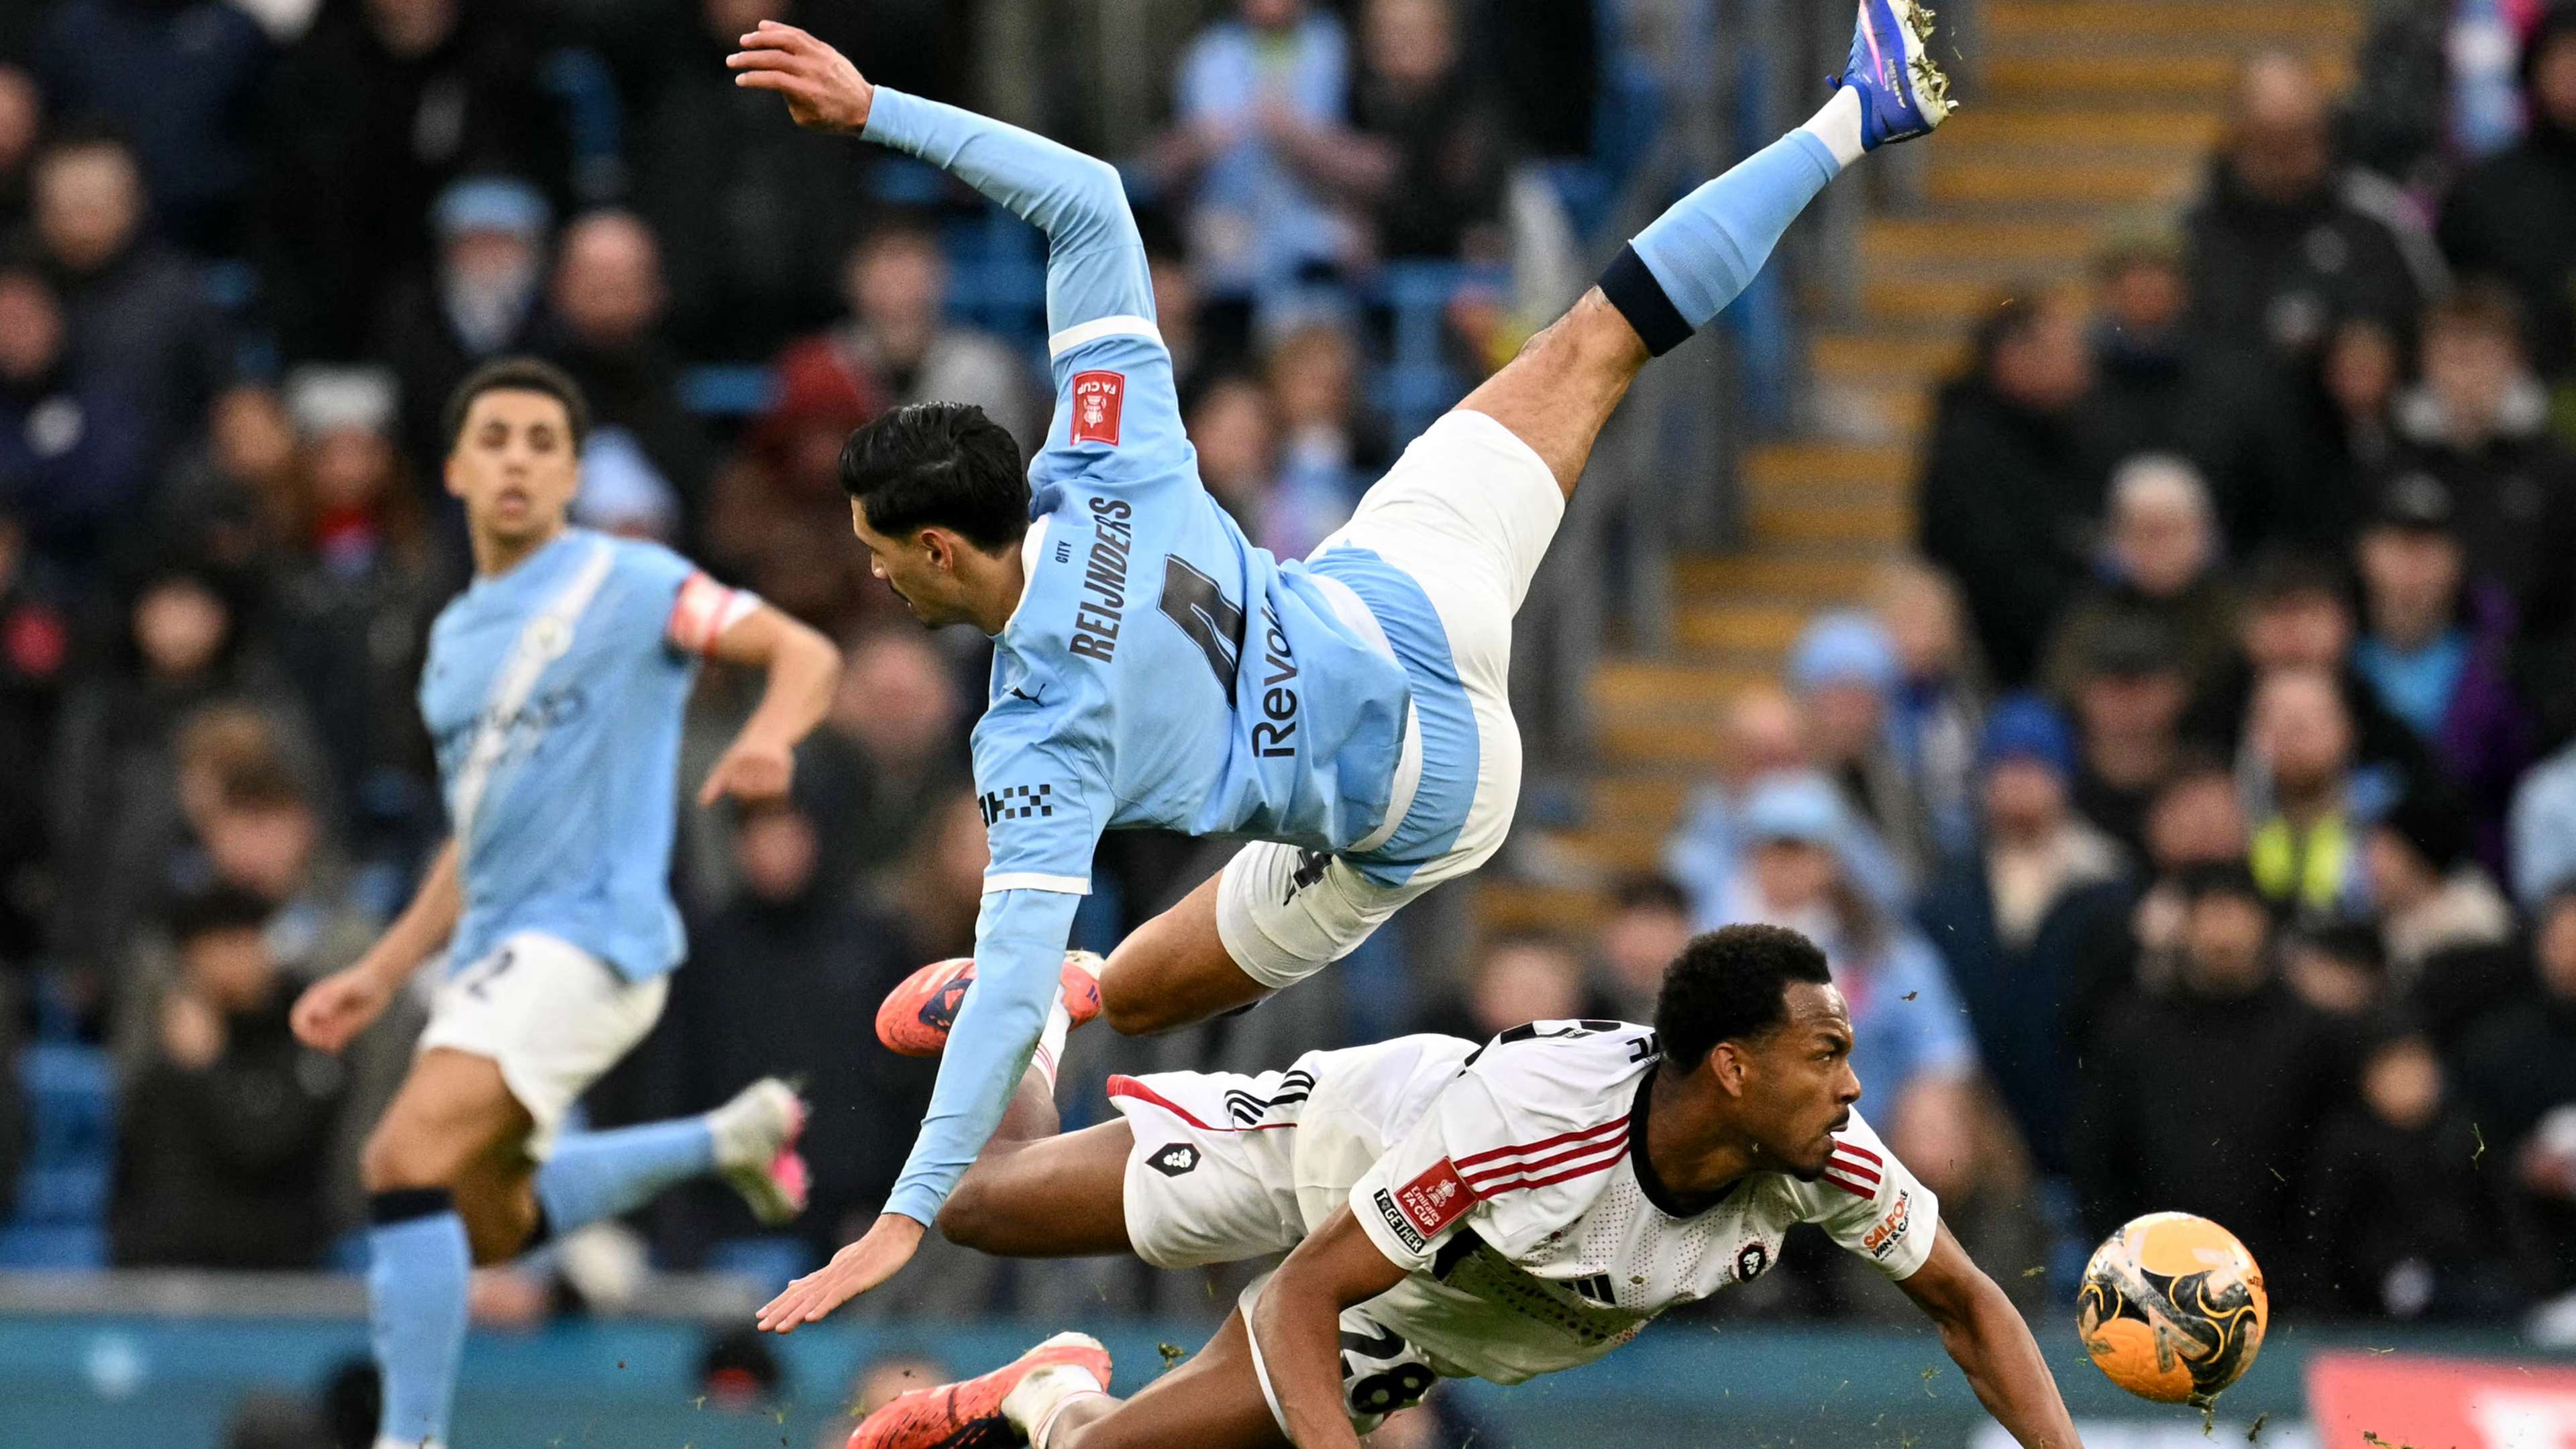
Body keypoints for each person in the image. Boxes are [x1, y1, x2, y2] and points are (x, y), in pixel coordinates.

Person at [720, 3, 1957, 1316]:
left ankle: (1083, 1001)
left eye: (878, 549)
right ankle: (1856, 108)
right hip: (1412, 591)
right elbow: (1087, 203)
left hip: (1430, 796)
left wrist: (905, 1222)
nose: (870, 573)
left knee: (1124, 995)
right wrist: (877, 111)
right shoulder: (1098, 452)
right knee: (1598, 340)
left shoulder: (1038, 732)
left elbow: (1010, 964)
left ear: (936, 547)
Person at [814, 925, 2084, 1449]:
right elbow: (1304, 1293)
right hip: (1360, 1147)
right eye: (1829, 1057)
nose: (1855, 1090)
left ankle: (1043, 1392)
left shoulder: (1827, 1165)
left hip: (1428, 1313)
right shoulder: (1531, 1133)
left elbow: (1971, 1308)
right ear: (1737, 1072)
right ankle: (1029, 1013)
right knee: (979, 1203)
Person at [281, 358, 843, 1449]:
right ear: (452, 468)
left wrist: (773, 734)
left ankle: (412, 1437)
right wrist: (381, 969)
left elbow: (802, 650)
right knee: (485, 1222)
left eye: (545, 442)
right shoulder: (453, 647)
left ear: (573, 472)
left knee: (400, 1160)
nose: (519, 460)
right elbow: (476, 839)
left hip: (595, 937)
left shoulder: (625, 584)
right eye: (496, 437)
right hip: (498, 950)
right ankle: (725, 1138)